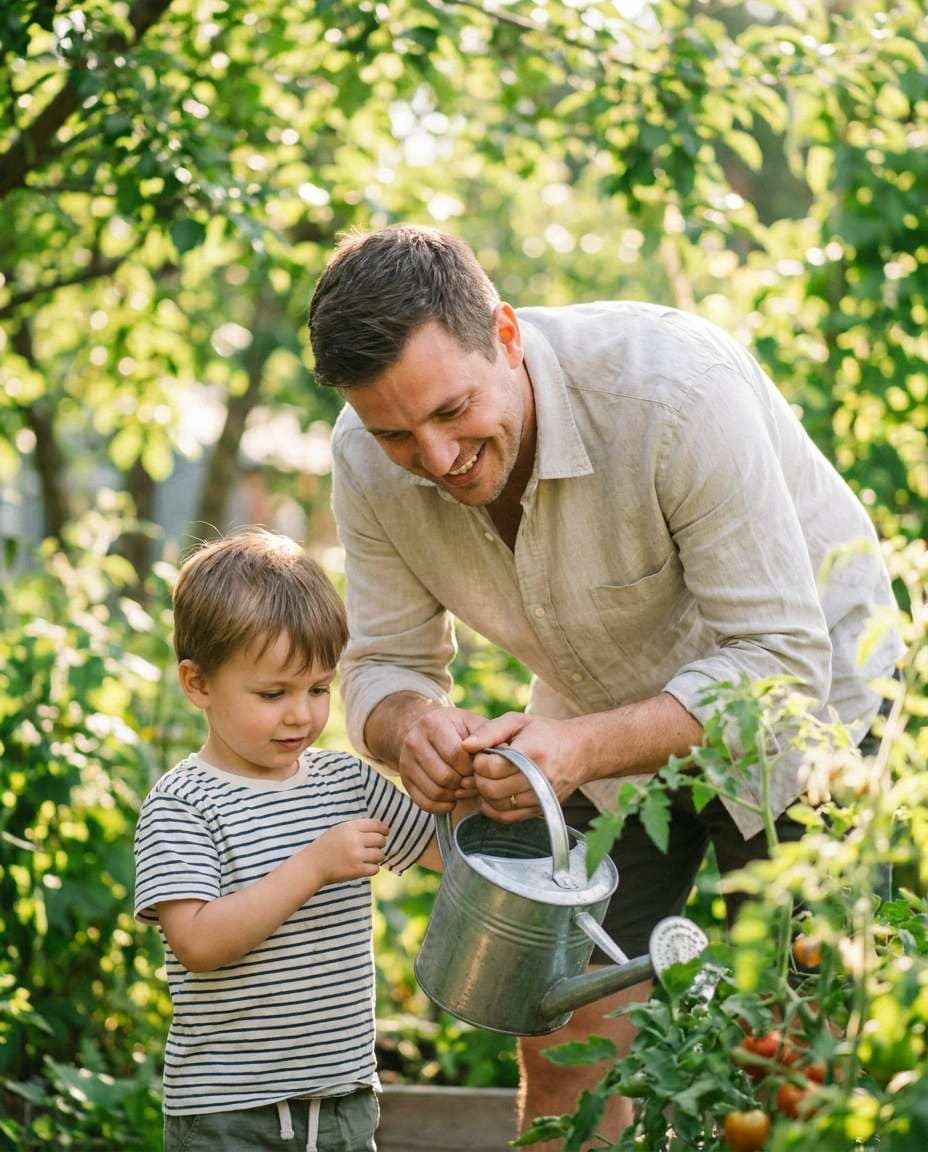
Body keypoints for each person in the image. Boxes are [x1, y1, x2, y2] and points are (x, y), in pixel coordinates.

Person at [307, 224, 902, 1143]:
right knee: (564, 1028)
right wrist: (409, 725)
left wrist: (580, 745)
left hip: (809, 706)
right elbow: (381, 663)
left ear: (505, 336)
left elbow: (777, 659)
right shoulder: (362, 458)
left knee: (794, 1053)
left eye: (453, 411)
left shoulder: (670, 390)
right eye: (396, 433)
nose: (434, 458)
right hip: (595, 717)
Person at [133, 529, 440, 1152]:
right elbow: (196, 942)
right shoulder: (183, 804)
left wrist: (477, 784)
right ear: (198, 685)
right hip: (230, 1112)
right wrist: (314, 866)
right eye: (273, 694)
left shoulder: (346, 781)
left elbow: (447, 854)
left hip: (343, 1104)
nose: (300, 715)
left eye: (318, 689)